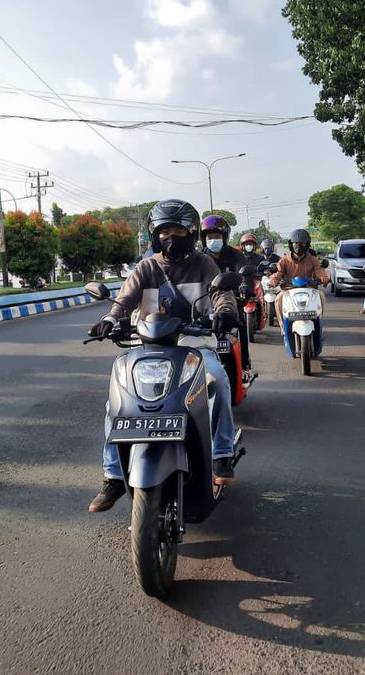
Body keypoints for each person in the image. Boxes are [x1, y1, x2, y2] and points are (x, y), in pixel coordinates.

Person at [87, 199, 241, 513]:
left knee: (218, 382)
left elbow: (221, 295)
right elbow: (124, 300)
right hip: (149, 349)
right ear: (155, 236)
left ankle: (221, 453)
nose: (172, 237)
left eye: (179, 230)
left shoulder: (203, 264)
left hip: (194, 346)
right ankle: (114, 475)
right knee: (115, 404)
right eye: (165, 231)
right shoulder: (147, 267)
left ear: (192, 233)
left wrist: (225, 312)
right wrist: (110, 320)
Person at [200, 214, 253, 379]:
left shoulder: (236, 255)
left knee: (240, 325)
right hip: (204, 303)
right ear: (204, 239)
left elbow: (244, 273)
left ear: (225, 237)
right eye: (210, 237)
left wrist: (244, 287)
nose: (213, 240)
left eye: (217, 236)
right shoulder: (199, 258)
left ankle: (245, 366)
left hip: (232, 302)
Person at [268, 229, 330, 324]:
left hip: (309, 289)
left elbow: (319, 270)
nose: (298, 246)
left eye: (302, 243)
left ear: (307, 244)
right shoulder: (284, 260)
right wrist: (273, 279)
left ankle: (319, 325)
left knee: (321, 295)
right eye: (295, 243)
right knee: (278, 299)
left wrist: (324, 278)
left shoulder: (313, 259)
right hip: (288, 290)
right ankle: (283, 328)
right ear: (291, 244)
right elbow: (278, 272)